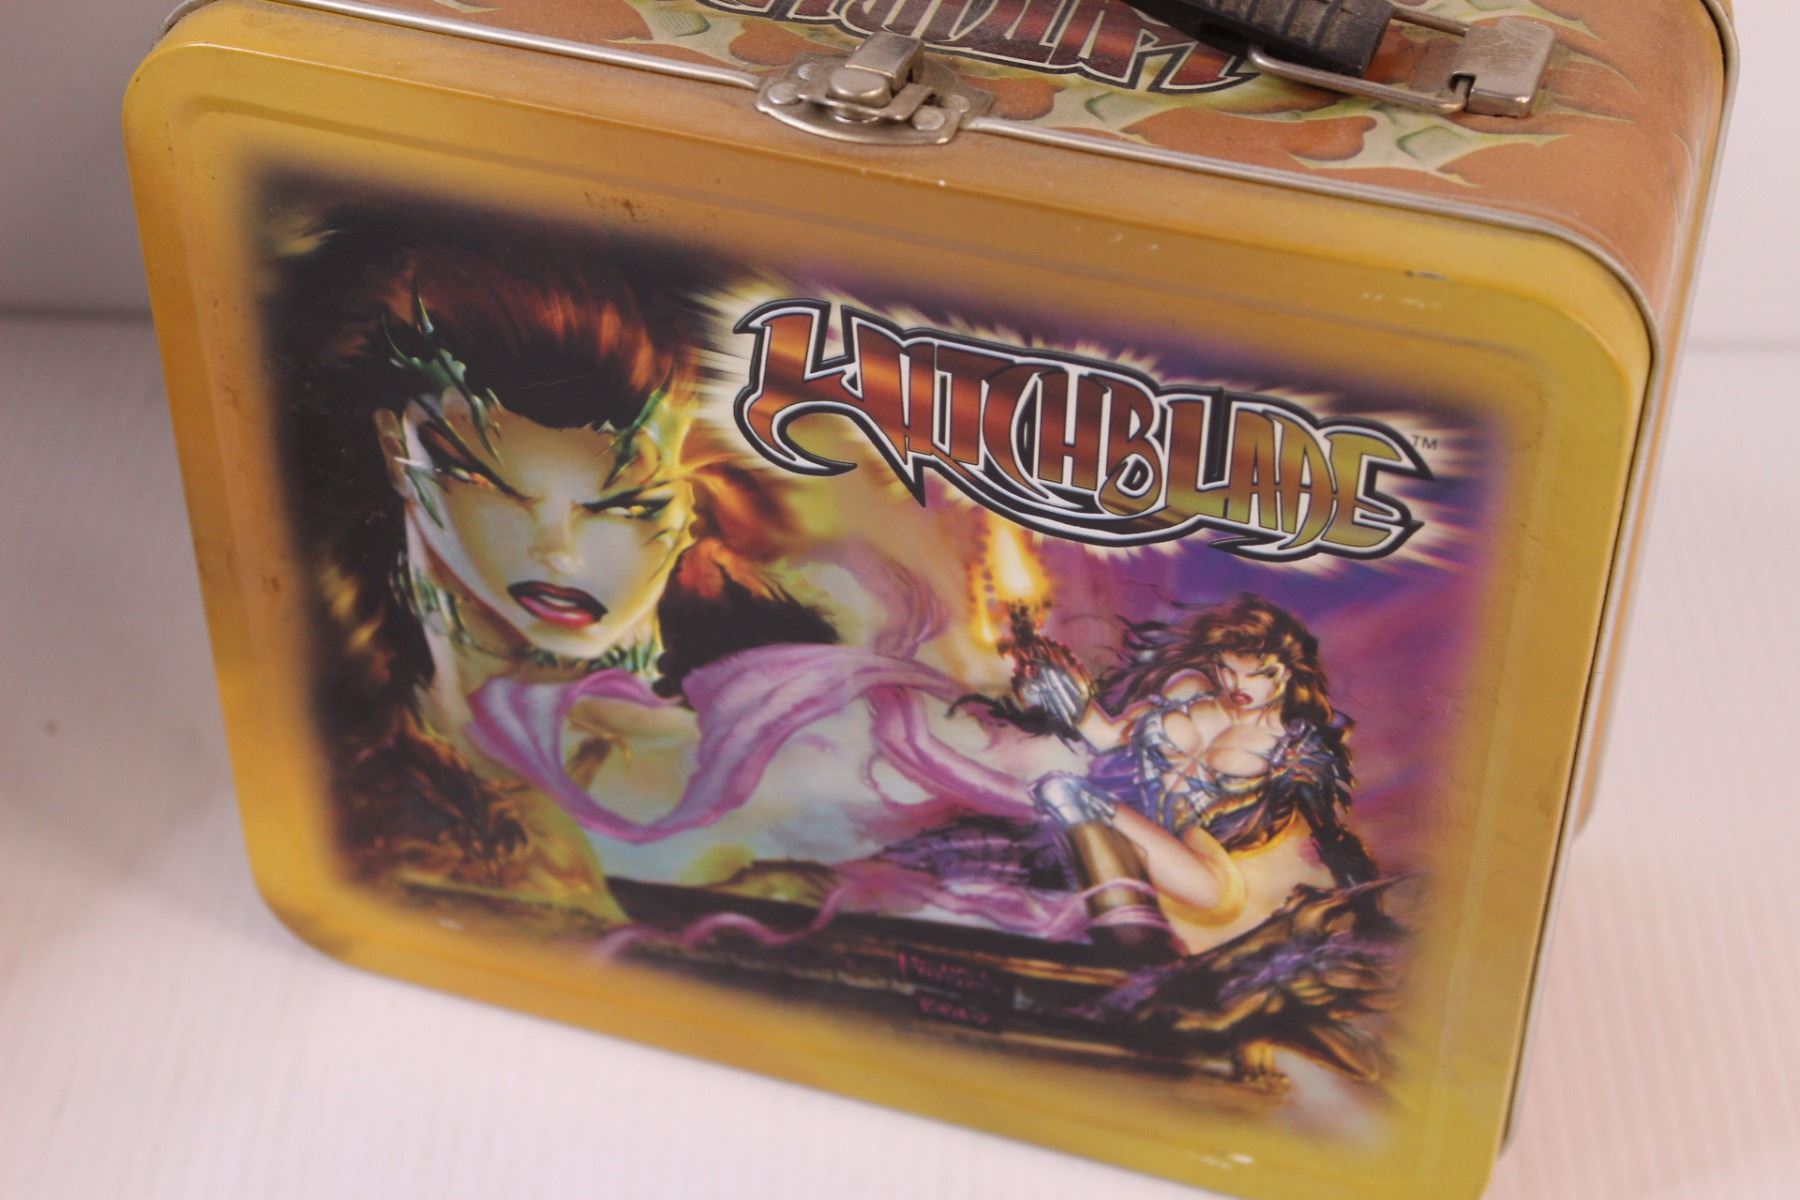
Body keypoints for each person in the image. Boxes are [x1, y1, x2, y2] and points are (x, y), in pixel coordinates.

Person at [270, 212, 832, 919]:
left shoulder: (748, 759)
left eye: (624, 507)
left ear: (694, 505)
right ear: (396, 448)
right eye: (499, 489)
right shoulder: (332, 718)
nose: (560, 550)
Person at [1010, 593, 1378, 950]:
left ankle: (1130, 938)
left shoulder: (1294, 746)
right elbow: (1107, 737)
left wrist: (1369, 914)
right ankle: (1114, 928)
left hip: (1187, 852)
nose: (1238, 685)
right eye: (1228, 669)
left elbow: (1331, 836)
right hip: (1115, 810)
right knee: (1060, 791)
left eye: (1257, 674)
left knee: (1211, 891)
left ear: (1287, 672)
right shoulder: (1188, 693)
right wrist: (1060, 687)